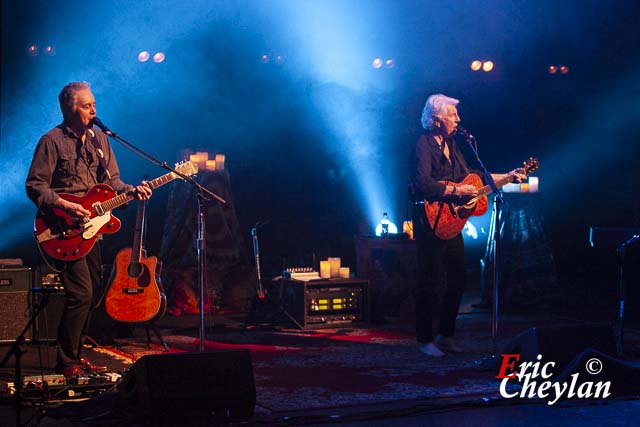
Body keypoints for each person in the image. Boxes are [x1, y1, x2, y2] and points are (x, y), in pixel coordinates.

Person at [25, 82, 152, 376]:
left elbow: (114, 182)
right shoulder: (52, 141)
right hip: (63, 228)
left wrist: (132, 190)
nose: (94, 110)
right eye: (87, 106)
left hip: (92, 230)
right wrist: (67, 206)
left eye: (94, 104)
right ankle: (67, 362)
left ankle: (76, 357)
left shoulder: (99, 140)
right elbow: (35, 186)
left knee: (93, 293)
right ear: (70, 109)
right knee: (81, 294)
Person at [408, 94, 524, 357]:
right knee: (430, 280)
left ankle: (446, 334)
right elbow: (422, 183)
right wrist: (455, 189)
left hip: (451, 222)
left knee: (458, 278)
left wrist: (508, 176)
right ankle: (425, 339)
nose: (458, 120)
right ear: (437, 120)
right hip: (429, 219)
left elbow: (476, 177)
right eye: (453, 115)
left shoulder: (453, 145)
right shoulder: (423, 145)